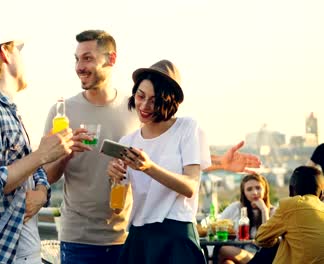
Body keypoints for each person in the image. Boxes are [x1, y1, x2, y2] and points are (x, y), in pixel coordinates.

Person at [43, 29, 262, 264]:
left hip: (148, 238)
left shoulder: (164, 120)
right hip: (101, 238)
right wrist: (90, 165)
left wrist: (219, 163)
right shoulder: (72, 117)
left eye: (87, 58)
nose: (144, 106)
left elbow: (179, 170)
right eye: (77, 59)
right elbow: (52, 178)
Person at [0, 31, 74, 264]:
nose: (23, 60)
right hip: (0, 256)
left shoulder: (7, 109)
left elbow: (30, 167)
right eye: (19, 51)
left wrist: (41, 193)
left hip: (21, 253)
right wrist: (42, 154)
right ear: (5, 53)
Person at [106, 59, 210, 263]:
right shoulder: (128, 141)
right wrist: (114, 178)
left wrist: (149, 167)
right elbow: (117, 208)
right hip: (139, 236)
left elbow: (190, 186)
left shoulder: (187, 128)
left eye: (153, 100)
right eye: (140, 96)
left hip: (176, 234)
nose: (144, 106)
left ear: (169, 101)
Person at [255, 166, 324, 264]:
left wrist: (278, 240)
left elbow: (260, 238)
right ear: (321, 194)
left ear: (291, 190)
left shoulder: (291, 205)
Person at [216, 173, 274, 264]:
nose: (254, 192)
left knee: (224, 250)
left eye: (258, 188)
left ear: (265, 190)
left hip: (261, 257)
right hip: (239, 254)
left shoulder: (273, 211)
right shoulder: (235, 208)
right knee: (227, 262)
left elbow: (267, 239)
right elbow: (218, 225)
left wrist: (264, 211)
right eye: (249, 189)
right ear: (244, 193)